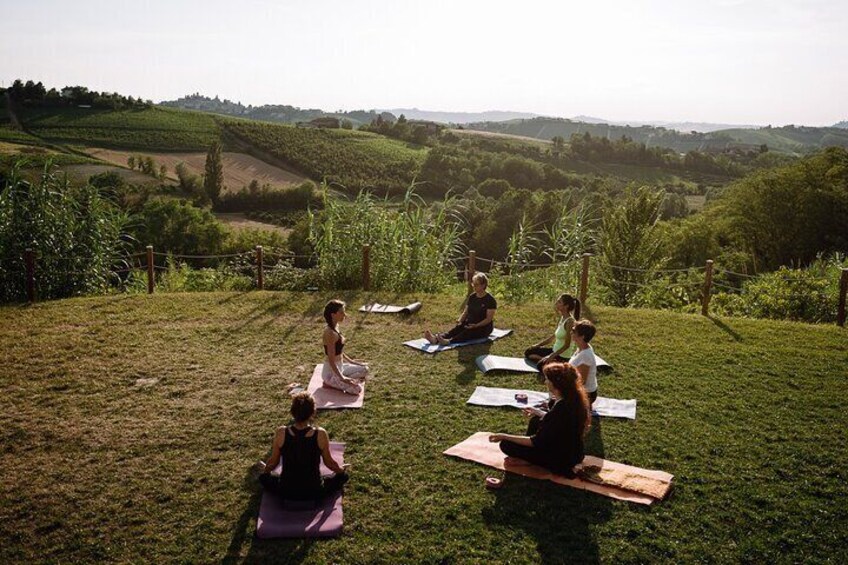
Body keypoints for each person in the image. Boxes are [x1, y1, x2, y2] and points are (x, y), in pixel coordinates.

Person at [488, 362, 591, 476]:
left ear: (555, 384)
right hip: (574, 453)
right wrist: (537, 411)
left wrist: (504, 436)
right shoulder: (572, 398)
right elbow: (557, 421)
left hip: (561, 461)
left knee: (506, 444)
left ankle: (528, 460)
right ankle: (529, 456)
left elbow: (535, 441)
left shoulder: (561, 409)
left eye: (547, 379)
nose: (545, 382)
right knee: (536, 420)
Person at [256, 392, 349, 504]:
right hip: (314, 492)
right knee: (342, 477)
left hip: (286, 491)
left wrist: (265, 471)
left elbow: (273, 463)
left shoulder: (281, 432)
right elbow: (329, 463)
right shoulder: (320, 434)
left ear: (292, 412)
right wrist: (341, 471)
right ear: (312, 413)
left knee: (264, 478)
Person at [424, 272, 497, 345]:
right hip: (470, 323)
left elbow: (488, 319)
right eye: (473, 284)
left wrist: (476, 325)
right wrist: (460, 320)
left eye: (476, 285)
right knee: (456, 329)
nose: (474, 286)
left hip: (483, 327)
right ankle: (435, 339)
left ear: (483, 285)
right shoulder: (472, 297)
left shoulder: (490, 300)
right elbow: (466, 311)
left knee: (467, 332)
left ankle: (449, 341)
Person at [322, 299, 369, 394]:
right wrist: (342, 378)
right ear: (333, 315)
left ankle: (340, 381)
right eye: (341, 312)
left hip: (341, 366)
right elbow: (331, 360)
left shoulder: (336, 327)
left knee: (365, 369)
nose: (345, 315)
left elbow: (339, 351)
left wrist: (353, 362)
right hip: (331, 373)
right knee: (357, 390)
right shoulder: (330, 333)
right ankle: (329, 383)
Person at [524, 293, 581, 368]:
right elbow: (553, 336)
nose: (556, 303)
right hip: (554, 351)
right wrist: (538, 345)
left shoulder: (570, 322)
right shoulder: (563, 318)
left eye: (559, 302)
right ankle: (548, 361)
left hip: (562, 356)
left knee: (540, 366)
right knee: (528, 352)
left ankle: (553, 362)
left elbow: (567, 345)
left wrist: (551, 356)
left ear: (566, 306)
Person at [568, 320, 598, 405]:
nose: (571, 332)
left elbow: (581, 381)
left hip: (586, 395)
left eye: (574, 331)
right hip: (579, 390)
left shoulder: (585, 355)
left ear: (582, 336)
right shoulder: (582, 347)